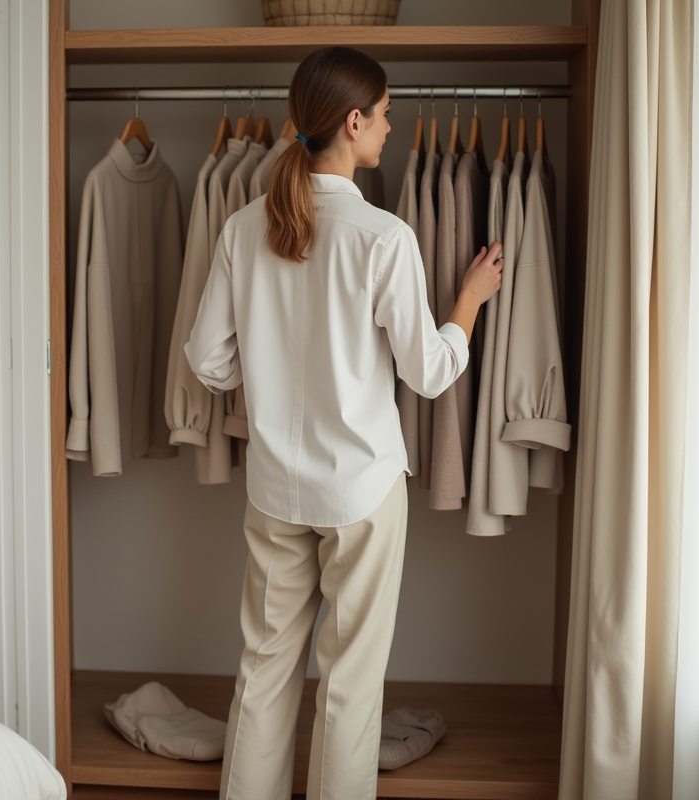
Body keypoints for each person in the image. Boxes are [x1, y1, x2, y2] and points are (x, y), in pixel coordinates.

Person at [185, 45, 503, 800]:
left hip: (273, 489)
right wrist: (469, 304)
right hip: (360, 492)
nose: (392, 128)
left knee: (263, 671)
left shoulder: (240, 230)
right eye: (386, 115)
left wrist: (262, 376)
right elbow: (429, 373)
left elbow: (206, 361)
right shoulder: (384, 238)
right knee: (350, 684)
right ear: (353, 122)